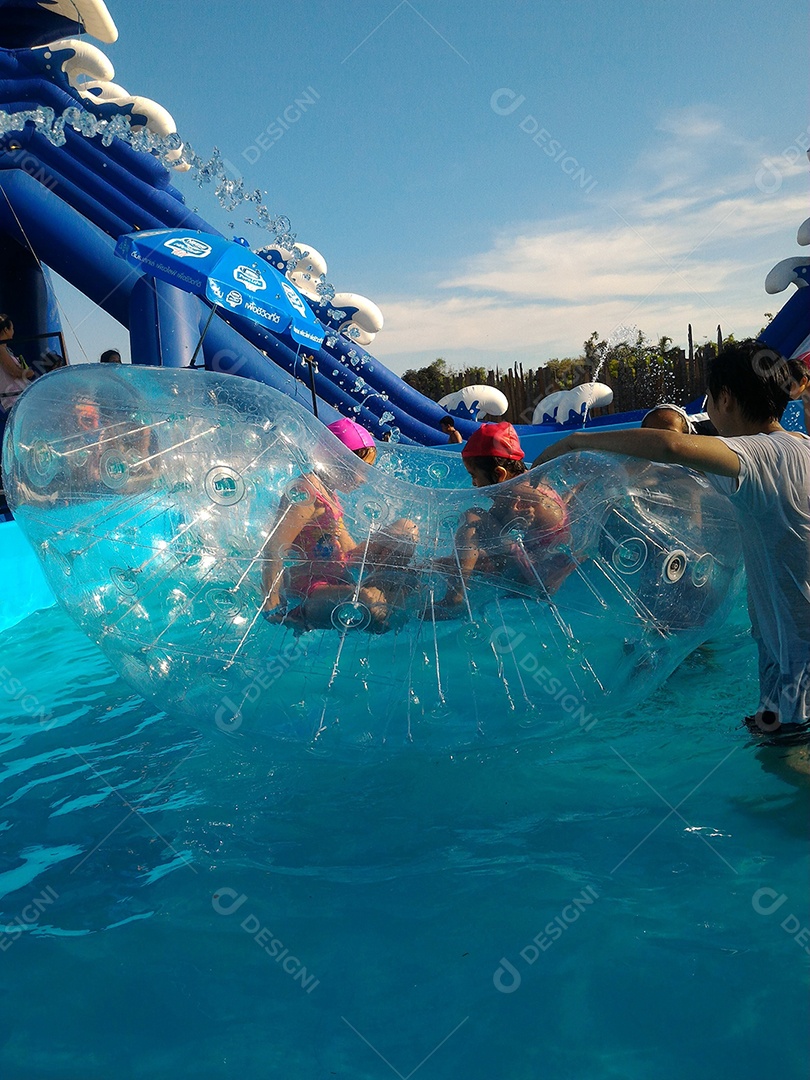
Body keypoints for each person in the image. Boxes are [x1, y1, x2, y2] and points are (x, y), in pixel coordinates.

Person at [533, 339, 810, 733]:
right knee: (773, 740)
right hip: (789, 641)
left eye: (710, 400)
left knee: (783, 755)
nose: (709, 412)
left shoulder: (757, 454)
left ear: (726, 398)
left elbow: (671, 445)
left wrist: (576, 441)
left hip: (795, 650)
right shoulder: (802, 447)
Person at [261, 417, 418, 633]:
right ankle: (368, 602)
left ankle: (379, 594)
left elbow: (349, 551)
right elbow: (273, 548)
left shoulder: (330, 495)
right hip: (309, 587)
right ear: (335, 459)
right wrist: (272, 605)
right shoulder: (305, 492)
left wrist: (393, 542)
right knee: (366, 601)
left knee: (406, 528)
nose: (363, 479)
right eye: (361, 468)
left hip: (335, 574)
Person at [435, 422, 572, 611]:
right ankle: (451, 569)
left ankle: (454, 599)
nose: (474, 484)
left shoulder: (512, 493)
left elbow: (482, 536)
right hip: (553, 567)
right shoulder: (534, 481)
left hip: (537, 578)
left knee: (473, 517)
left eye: (474, 475)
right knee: (466, 557)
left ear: (499, 474)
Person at [0, 314, 35, 413]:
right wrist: (28, 372)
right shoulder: (0, 349)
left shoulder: (6, 349)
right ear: (6, 330)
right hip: (14, 399)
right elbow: (13, 371)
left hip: (19, 397)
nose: (13, 331)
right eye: (12, 328)